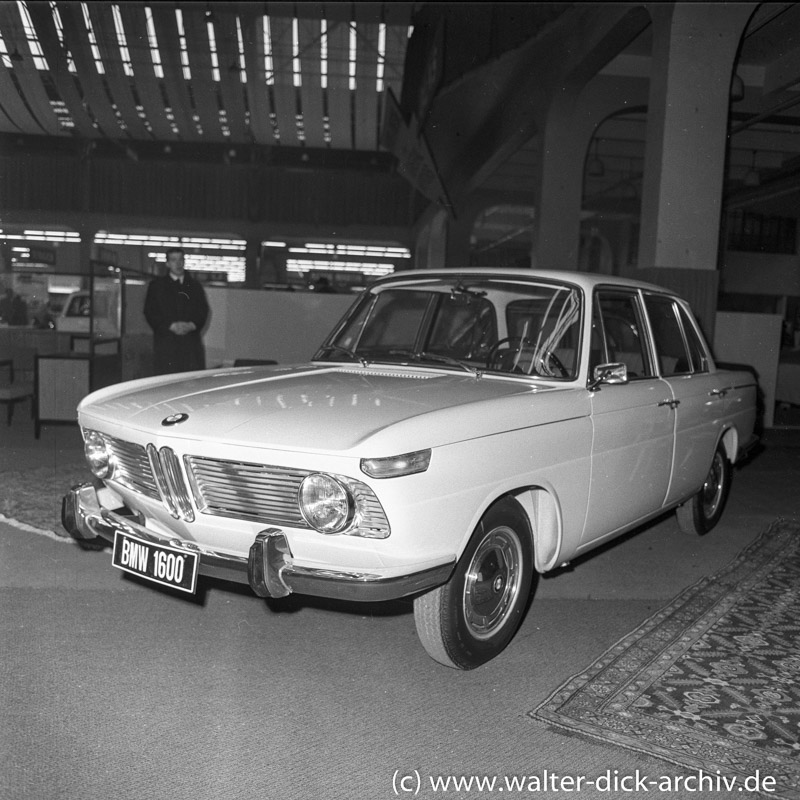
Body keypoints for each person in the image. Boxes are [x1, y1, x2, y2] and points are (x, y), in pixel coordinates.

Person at [144, 247, 209, 375]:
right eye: (174, 260)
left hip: (190, 345)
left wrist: (192, 325)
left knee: (192, 384)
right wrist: (170, 326)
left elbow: (203, 310)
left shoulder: (195, 286)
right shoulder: (156, 286)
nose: (178, 263)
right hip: (166, 345)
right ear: (167, 264)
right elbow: (150, 312)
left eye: (181, 259)